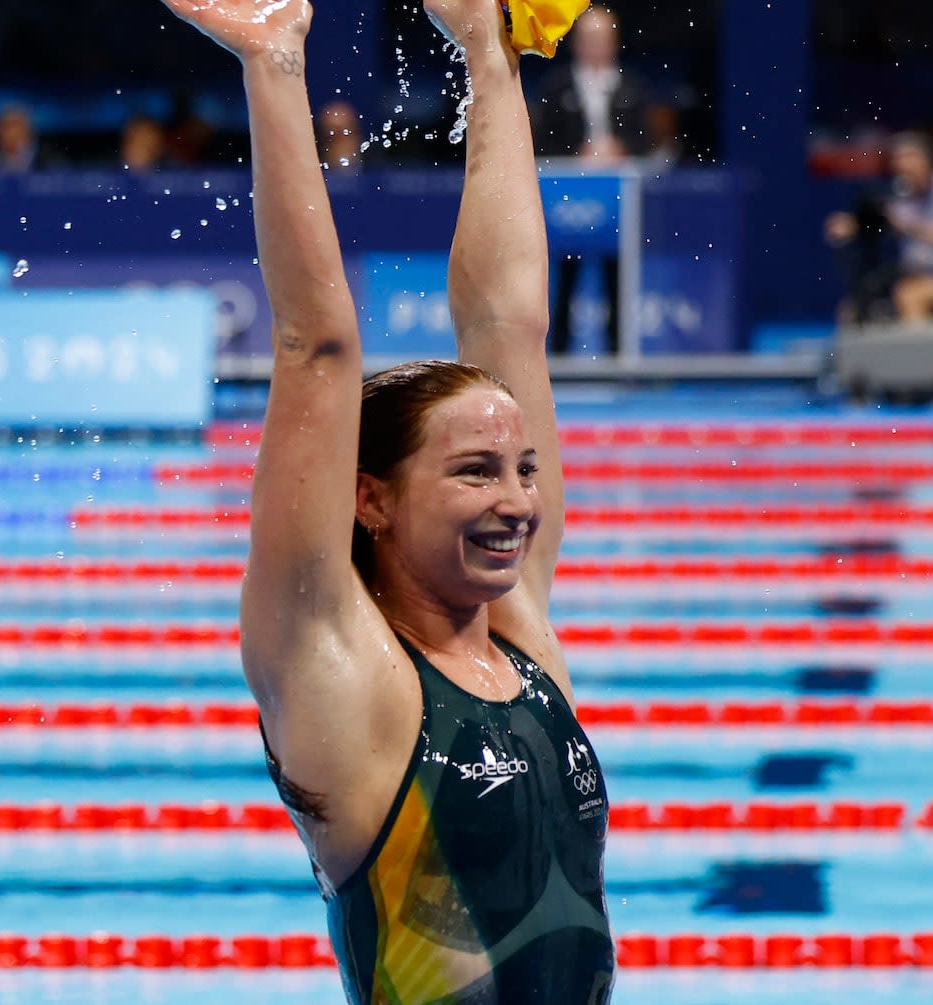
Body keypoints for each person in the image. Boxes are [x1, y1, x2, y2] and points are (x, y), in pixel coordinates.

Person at [158, 0, 614, 1003]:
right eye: (474, 473)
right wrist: (275, 62)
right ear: (370, 498)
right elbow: (314, 347)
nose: (516, 502)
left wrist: (490, 57)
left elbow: (508, 322)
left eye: (522, 470)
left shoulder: (516, 637)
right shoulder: (335, 667)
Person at [532, 6, 646, 357]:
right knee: (565, 275)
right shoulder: (556, 87)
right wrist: (576, 154)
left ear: (614, 43)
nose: (596, 46)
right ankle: (559, 357)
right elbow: (541, 141)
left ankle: (618, 356)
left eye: (603, 38)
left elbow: (647, 141)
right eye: (589, 38)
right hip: (567, 197)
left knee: (617, 275)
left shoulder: (632, 88)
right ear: (576, 43)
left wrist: (621, 149)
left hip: (617, 201)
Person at [824, 132, 933, 322]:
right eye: (897, 159)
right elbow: (879, 223)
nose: (902, 165)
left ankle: (923, 352)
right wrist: (851, 225)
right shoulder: (900, 195)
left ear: (926, 160)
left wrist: (906, 226)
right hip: (911, 274)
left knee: (909, 296)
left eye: (909, 157)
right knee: (853, 307)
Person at [0, 104, 47, 174]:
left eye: (15, 125)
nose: (10, 132)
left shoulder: (47, 164)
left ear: (28, 132)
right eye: (5, 126)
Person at [318, 99, 365, 173]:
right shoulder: (316, 172)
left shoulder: (378, 170)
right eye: (331, 139)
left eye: (342, 136)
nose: (338, 145)